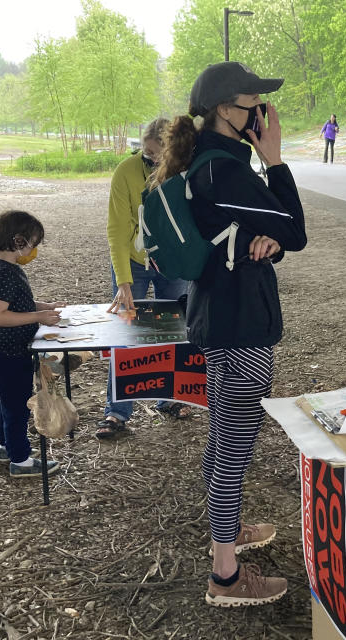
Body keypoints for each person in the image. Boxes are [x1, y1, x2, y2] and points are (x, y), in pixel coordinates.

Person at [149, 61, 306, 606]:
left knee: (224, 438)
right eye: (253, 104)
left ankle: (229, 531)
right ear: (225, 111)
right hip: (239, 328)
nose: (262, 113)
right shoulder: (226, 171)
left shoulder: (211, 167)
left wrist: (271, 241)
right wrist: (276, 160)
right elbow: (298, 230)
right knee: (234, 446)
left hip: (222, 317)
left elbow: (271, 236)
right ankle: (224, 574)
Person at [98, 118, 192, 440]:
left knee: (173, 330)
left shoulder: (185, 172)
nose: (151, 159)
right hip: (134, 262)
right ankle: (118, 410)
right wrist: (123, 280)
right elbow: (117, 229)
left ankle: (169, 399)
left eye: (158, 154)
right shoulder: (125, 172)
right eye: (147, 153)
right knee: (126, 334)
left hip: (172, 264)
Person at [0, 210, 65, 478]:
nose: (34, 250)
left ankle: (6, 447)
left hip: (2, 351)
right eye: (33, 243)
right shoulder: (5, 273)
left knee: (8, 402)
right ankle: (21, 461)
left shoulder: (3, 269)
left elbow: (16, 304)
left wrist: (45, 307)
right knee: (16, 407)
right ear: (18, 242)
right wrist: (39, 316)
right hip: (9, 353)